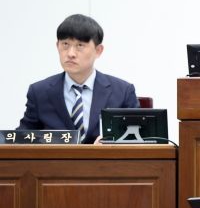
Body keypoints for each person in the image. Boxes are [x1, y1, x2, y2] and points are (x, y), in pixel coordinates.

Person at [18, 14, 139, 144]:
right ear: (57, 46)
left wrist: (112, 142)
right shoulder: (39, 92)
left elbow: (141, 137)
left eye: (80, 45)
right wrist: (48, 140)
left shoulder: (122, 91)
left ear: (98, 50)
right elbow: (21, 138)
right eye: (65, 44)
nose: (70, 54)